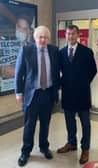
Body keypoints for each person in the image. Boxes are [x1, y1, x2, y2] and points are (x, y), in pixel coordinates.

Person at [15, 26, 60, 167]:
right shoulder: (26, 50)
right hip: (32, 94)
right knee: (29, 125)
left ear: (49, 39)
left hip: (48, 93)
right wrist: (18, 92)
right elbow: (19, 72)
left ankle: (44, 147)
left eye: (45, 37)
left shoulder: (54, 50)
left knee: (45, 124)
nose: (43, 40)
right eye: (40, 37)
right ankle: (26, 151)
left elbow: (57, 70)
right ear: (35, 38)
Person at [57, 25, 97, 164]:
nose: (70, 36)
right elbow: (60, 71)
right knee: (69, 121)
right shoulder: (61, 53)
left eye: (73, 34)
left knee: (85, 123)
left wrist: (84, 82)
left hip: (82, 94)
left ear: (78, 35)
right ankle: (71, 143)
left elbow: (93, 70)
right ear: (65, 35)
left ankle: (85, 148)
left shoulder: (86, 52)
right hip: (67, 94)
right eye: (68, 34)